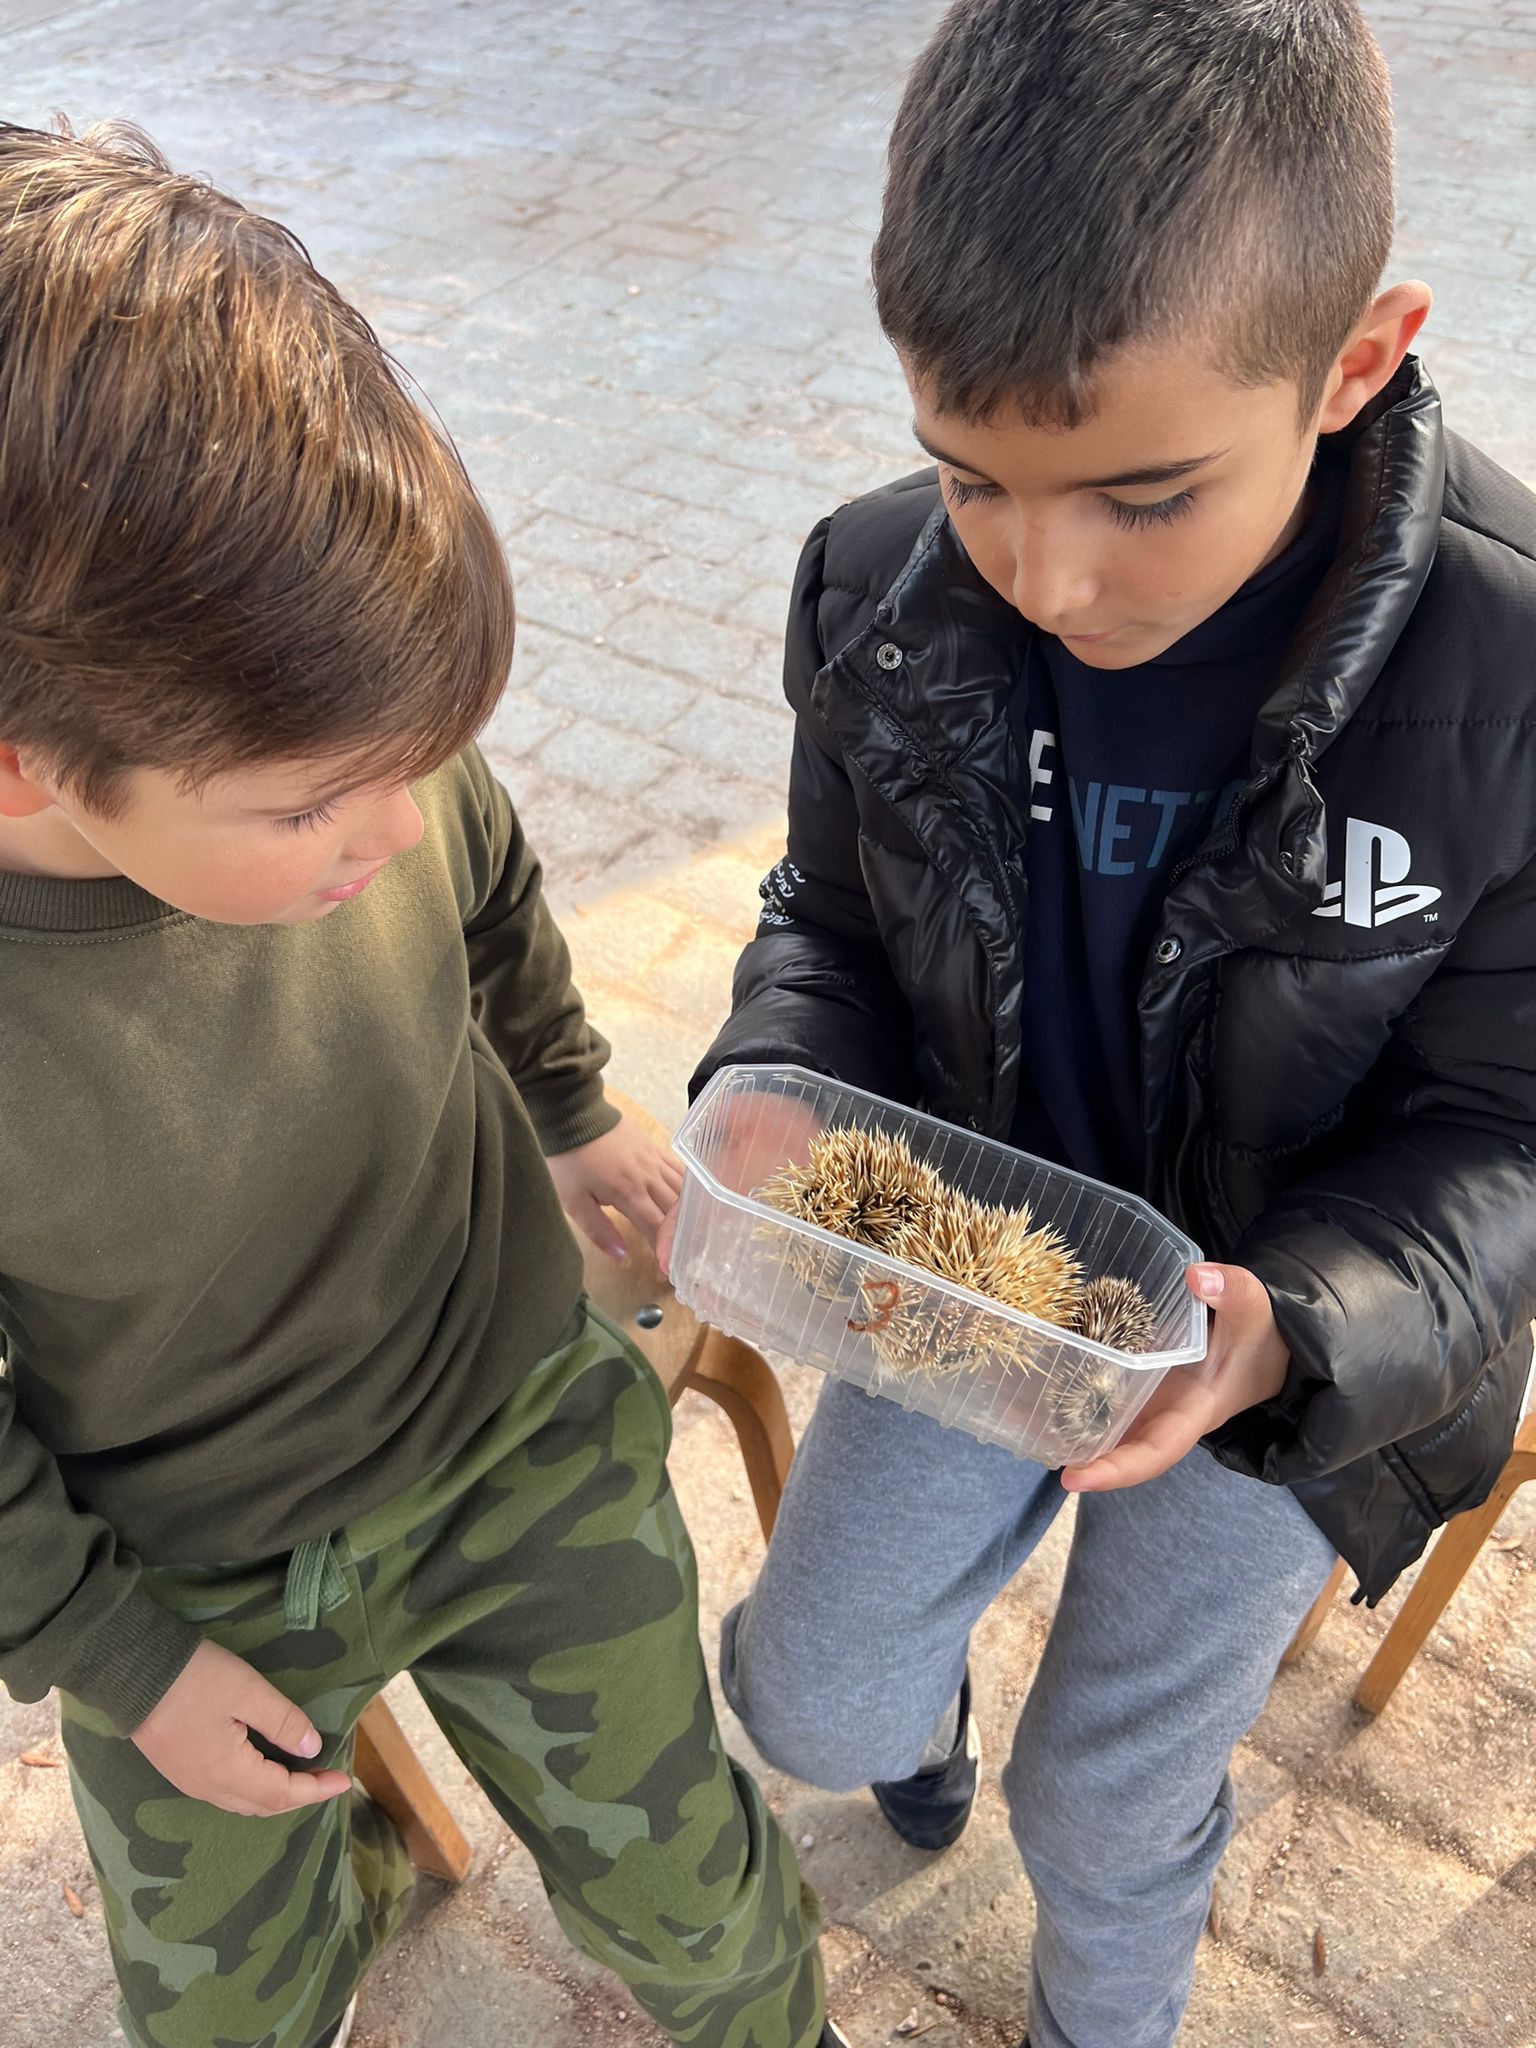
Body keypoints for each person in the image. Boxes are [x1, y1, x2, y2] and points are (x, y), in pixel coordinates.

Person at [678, 3, 1536, 2044]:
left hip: (1282, 1344)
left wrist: (1295, 1330)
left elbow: (1512, 1125)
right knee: (806, 1696)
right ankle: (916, 1729)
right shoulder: (874, 591)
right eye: (970, 475)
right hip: (982, 1268)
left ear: (1357, 361)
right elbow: (830, 924)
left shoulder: (1509, 672)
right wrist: (779, 1084)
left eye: (1145, 495)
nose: (1048, 574)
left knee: (1108, 1794)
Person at [0, 120, 845, 2048]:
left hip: (519, 1426)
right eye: (311, 806)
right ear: (24, 758)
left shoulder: (345, 735)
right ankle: (353, 1887)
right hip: (192, 1579)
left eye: (418, 753)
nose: (394, 825)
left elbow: (487, 882)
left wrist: (570, 1100)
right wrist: (120, 1661)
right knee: (222, 2017)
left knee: (695, 1908)